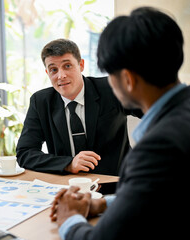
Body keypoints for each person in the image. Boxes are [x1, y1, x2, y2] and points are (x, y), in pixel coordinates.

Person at [51, 7, 189, 239]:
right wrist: (104, 204)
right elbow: (163, 196)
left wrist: (69, 218)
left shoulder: (159, 147)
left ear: (127, 79)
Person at [16, 38, 141, 175]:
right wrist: (68, 164)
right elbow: (25, 153)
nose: (61, 76)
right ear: (47, 72)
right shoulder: (40, 101)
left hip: (116, 184)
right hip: (69, 187)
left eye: (67, 66)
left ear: (81, 65)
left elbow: (154, 111)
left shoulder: (112, 89)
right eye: (53, 69)